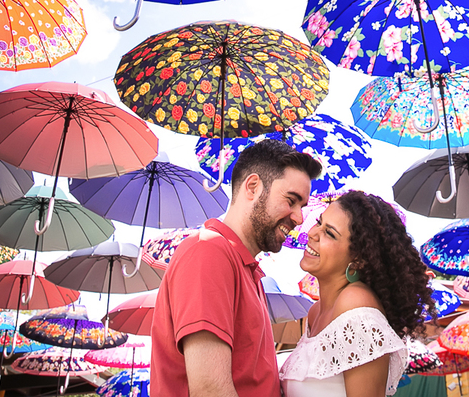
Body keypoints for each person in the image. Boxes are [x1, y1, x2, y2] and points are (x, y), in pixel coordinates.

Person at [152, 137, 322, 397]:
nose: (299, 218)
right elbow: (210, 389)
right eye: (291, 200)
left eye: (302, 206)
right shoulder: (208, 251)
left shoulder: (244, 268)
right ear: (252, 187)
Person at [280, 190, 436, 397]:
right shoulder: (315, 313)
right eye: (319, 222)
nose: (312, 233)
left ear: (360, 260)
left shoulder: (356, 305)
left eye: (330, 233)